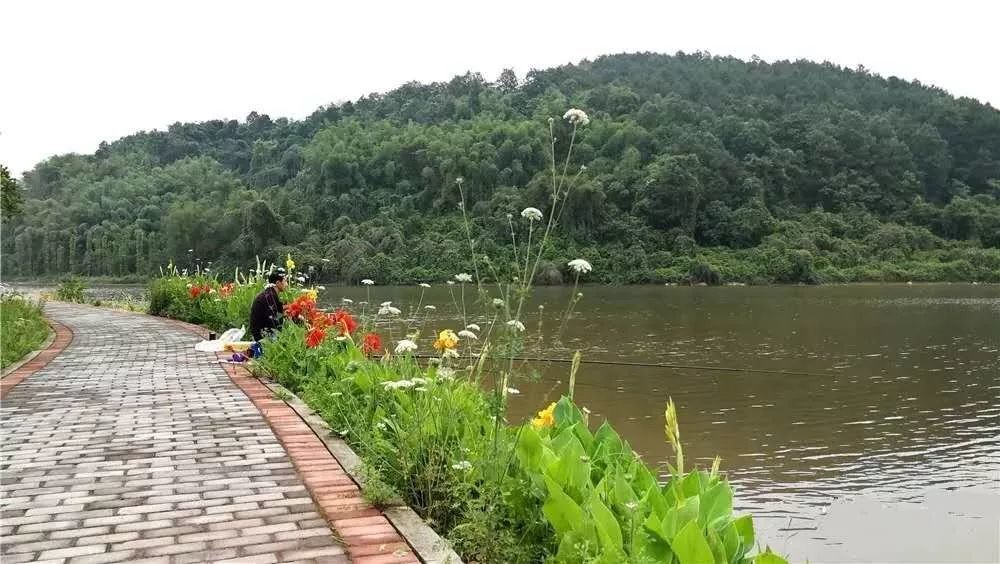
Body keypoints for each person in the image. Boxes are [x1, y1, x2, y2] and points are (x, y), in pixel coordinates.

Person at [249, 268, 286, 341]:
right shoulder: (269, 296)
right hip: (262, 336)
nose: (286, 284)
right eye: (285, 281)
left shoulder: (270, 294)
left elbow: (278, 312)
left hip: (263, 332)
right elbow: (273, 321)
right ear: (278, 283)